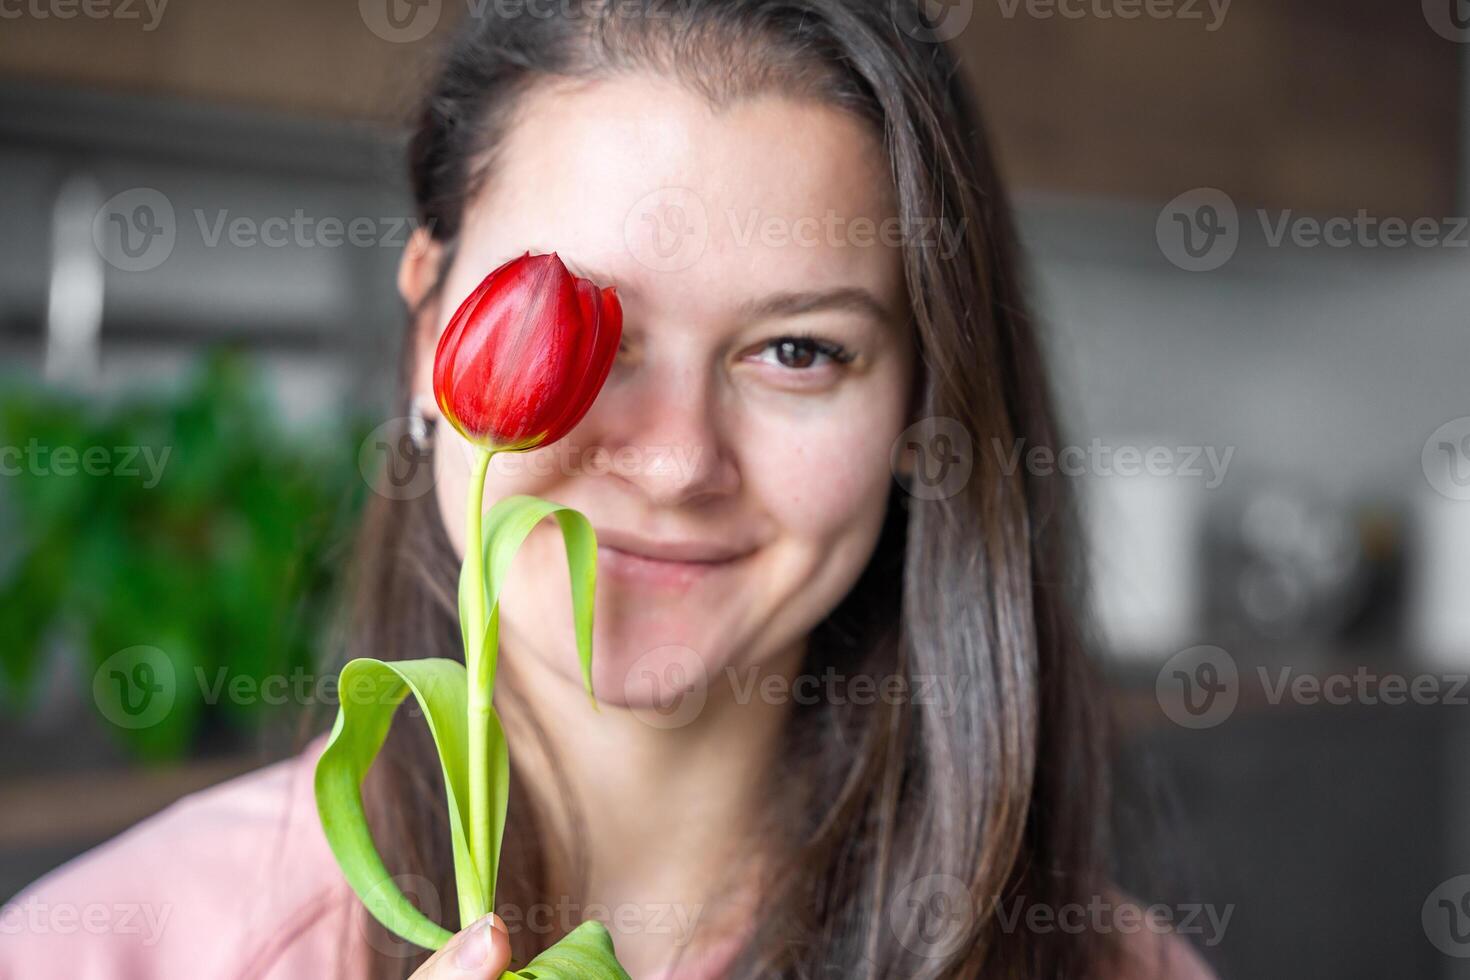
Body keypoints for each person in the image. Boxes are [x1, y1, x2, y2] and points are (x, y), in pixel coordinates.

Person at [2, 0, 1218, 977]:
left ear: (920, 403)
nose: (679, 458)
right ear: (431, 331)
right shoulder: (110, 949)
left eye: (798, 351)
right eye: (591, 330)